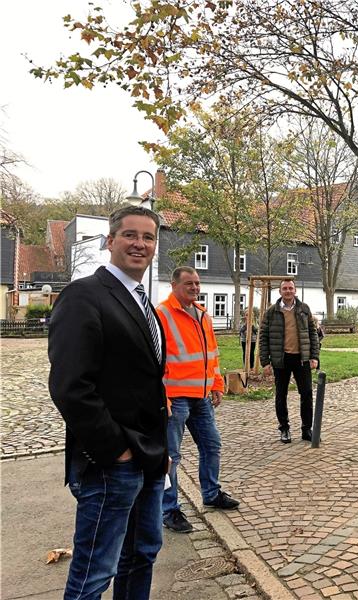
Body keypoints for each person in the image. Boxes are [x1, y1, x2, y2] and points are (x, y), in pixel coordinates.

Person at [48, 205, 169, 599]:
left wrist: (161, 451)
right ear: (110, 241)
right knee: (94, 575)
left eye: (148, 237)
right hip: (110, 465)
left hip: (149, 458)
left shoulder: (142, 302)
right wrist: (115, 450)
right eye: (131, 235)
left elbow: (147, 385)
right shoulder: (84, 296)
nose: (140, 244)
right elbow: (70, 386)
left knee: (141, 556)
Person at [156, 267, 240, 533]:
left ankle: (211, 494)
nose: (195, 287)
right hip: (175, 397)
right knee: (170, 456)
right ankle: (169, 510)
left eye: (197, 283)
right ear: (174, 285)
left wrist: (216, 384)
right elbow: (156, 360)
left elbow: (211, 354)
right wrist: (162, 396)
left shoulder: (203, 314)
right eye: (189, 283)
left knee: (212, 445)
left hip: (201, 396)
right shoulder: (163, 315)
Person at [259, 279, 319, 443]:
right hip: (281, 359)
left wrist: (314, 356)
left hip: (301, 359)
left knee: (306, 394)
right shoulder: (271, 312)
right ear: (280, 292)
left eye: (290, 288)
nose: (288, 291)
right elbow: (263, 337)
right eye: (284, 288)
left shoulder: (304, 309)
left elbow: (312, 334)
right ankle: (284, 428)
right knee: (281, 395)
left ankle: (307, 429)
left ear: (295, 290)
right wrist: (265, 362)